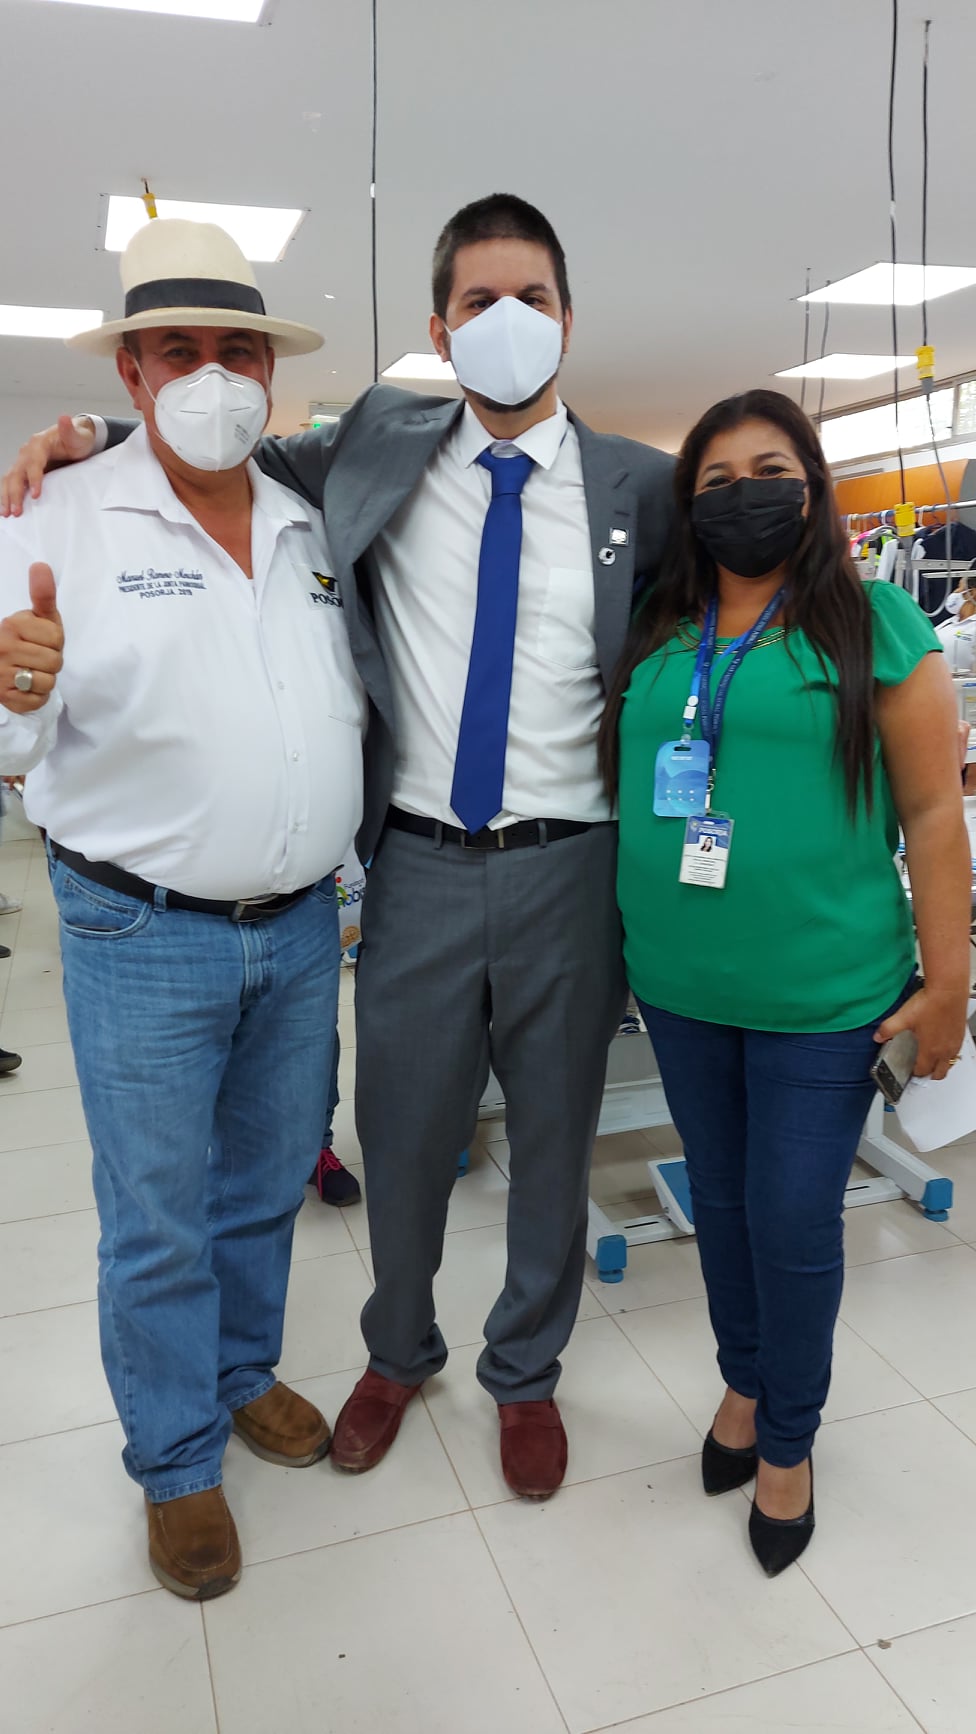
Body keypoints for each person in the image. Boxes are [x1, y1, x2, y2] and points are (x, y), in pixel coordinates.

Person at [2, 194, 676, 1501]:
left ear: (569, 318)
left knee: (552, 1136)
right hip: (412, 864)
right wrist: (86, 436)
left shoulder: (641, 488)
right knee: (402, 1133)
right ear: (440, 327)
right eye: (478, 301)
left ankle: (524, 1372)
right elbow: (213, 444)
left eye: (532, 297)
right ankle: (395, 1352)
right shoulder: (376, 446)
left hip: (570, 867)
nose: (507, 320)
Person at [0, 218, 366, 1600]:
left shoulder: (311, 518)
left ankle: (241, 1372)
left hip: (302, 927)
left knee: (267, 1185)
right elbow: (11, 740)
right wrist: (12, 689)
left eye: (235, 350)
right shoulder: (53, 516)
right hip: (139, 931)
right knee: (156, 1216)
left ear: (268, 370)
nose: (210, 376)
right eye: (176, 351)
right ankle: (173, 1459)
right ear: (133, 371)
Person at [599, 389, 971, 1574]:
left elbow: (933, 812)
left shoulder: (871, 624)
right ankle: (744, 1381)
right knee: (721, 1203)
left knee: (794, 1217)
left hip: (825, 994)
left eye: (768, 471)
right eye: (715, 480)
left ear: (810, 489)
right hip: (678, 986)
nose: (742, 495)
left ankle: (788, 1440)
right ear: (688, 506)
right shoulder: (660, 627)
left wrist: (950, 985)